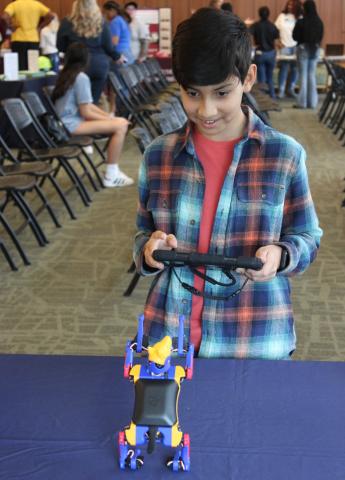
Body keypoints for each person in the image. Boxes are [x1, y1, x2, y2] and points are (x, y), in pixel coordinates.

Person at [133, 8, 322, 359]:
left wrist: (282, 255)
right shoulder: (158, 156)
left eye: (222, 93)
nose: (206, 110)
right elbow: (143, 234)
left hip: (254, 338)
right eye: (192, 93)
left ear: (248, 78)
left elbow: (308, 236)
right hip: (169, 339)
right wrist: (150, 248)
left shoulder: (284, 155)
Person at [52, 42, 133, 188]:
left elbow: (88, 106)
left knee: (119, 123)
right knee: (121, 126)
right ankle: (111, 174)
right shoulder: (80, 77)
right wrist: (111, 119)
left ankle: (112, 171)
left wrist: (109, 117)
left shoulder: (66, 74)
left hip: (64, 124)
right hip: (70, 125)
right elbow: (86, 112)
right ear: (85, 59)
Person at [57, 0, 122, 104]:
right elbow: (109, 47)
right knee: (92, 102)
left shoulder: (66, 22)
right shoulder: (102, 22)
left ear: (75, 7)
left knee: (75, 102)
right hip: (98, 66)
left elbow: (60, 46)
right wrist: (118, 57)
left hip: (76, 65)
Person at [1, 0, 54, 70]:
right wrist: (40, 27)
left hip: (18, 40)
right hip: (34, 40)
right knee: (33, 67)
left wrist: (10, 27)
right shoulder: (37, 4)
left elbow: (4, 16)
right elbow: (51, 15)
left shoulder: (14, 4)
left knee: (21, 68)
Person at [293, 0, 324, 109]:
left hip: (303, 49)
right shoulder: (319, 21)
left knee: (303, 76)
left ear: (305, 9)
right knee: (312, 76)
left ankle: (302, 103)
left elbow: (295, 37)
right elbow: (320, 37)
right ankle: (312, 102)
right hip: (315, 49)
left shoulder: (301, 22)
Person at [275, 0, 302, 99]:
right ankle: (281, 90)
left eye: (292, 5)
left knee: (295, 69)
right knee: (284, 68)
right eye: (288, 4)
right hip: (284, 46)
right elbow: (275, 30)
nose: (290, 6)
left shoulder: (300, 17)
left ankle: (291, 89)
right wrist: (278, 42)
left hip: (296, 46)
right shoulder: (282, 16)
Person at [251, 6, 279, 98]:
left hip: (260, 54)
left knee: (261, 79)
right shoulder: (272, 26)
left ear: (259, 14)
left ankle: (263, 99)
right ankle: (272, 97)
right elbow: (276, 40)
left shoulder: (256, 25)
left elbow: (248, 33)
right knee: (270, 78)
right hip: (271, 54)